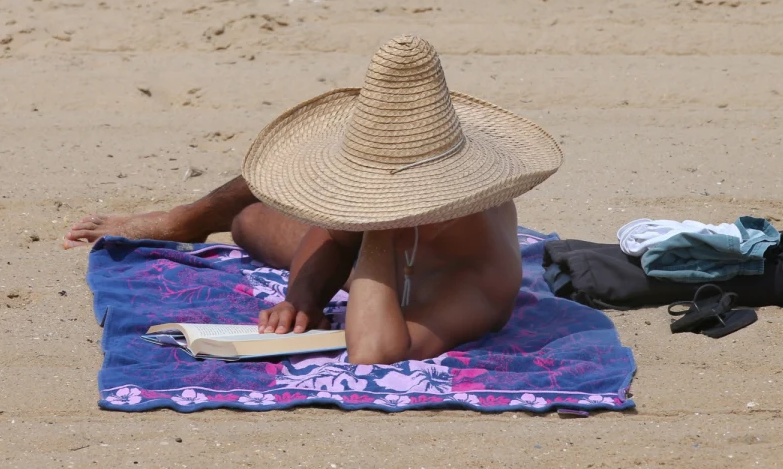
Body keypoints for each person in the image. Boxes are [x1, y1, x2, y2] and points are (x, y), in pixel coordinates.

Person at [64, 35, 562, 364]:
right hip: (385, 244)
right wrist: (303, 299)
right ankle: (188, 218)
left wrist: (377, 225)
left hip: (399, 263)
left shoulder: (477, 279)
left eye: (374, 186)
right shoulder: (406, 199)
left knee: (249, 225)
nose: (360, 194)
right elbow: (334, 231)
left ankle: (214, 220)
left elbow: (373, 351)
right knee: (269, 196)